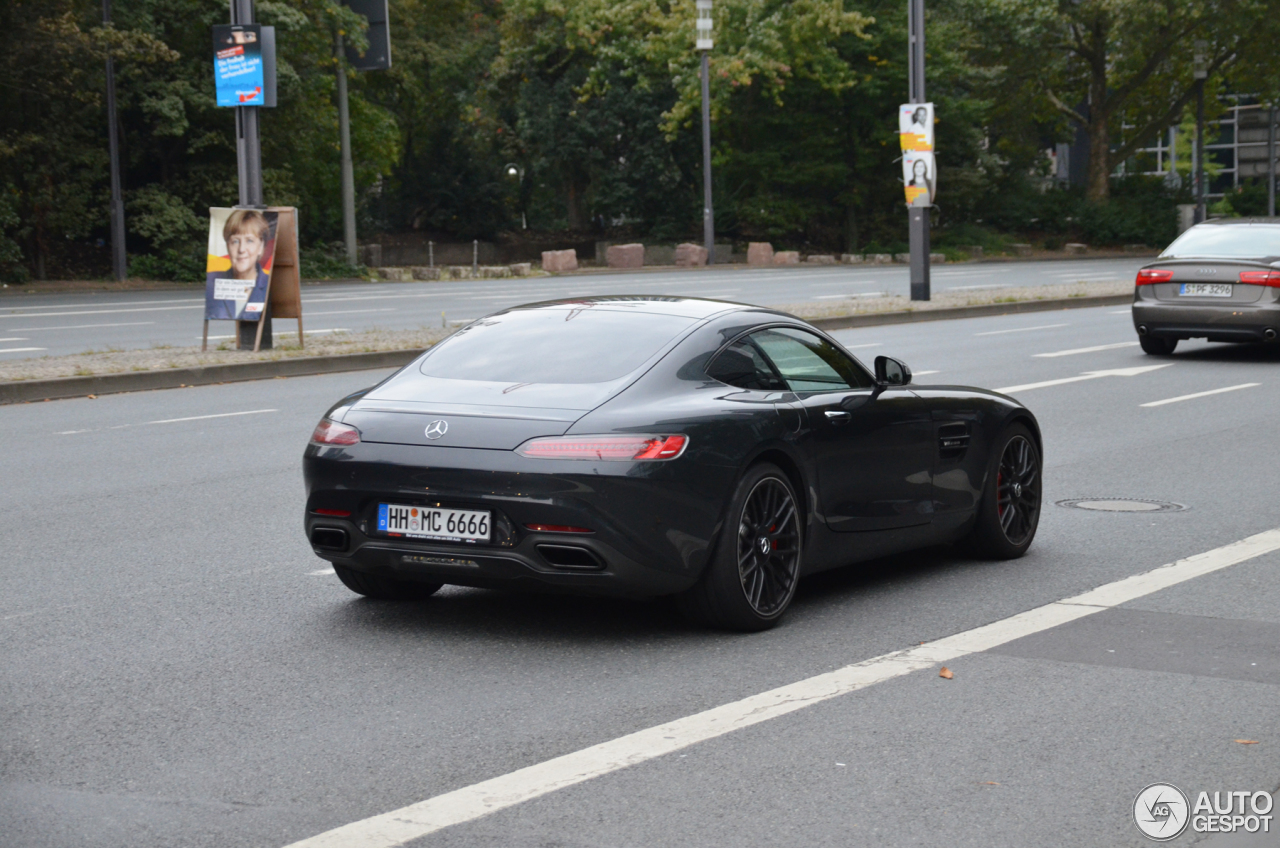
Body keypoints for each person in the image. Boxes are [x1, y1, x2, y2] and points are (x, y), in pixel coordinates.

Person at [205, 210, 273, 321]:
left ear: (261, 246)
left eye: (249, 241)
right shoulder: (212, 282)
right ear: (227, 246)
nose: (241, 249)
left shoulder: (270, 285)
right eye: (235, 241)